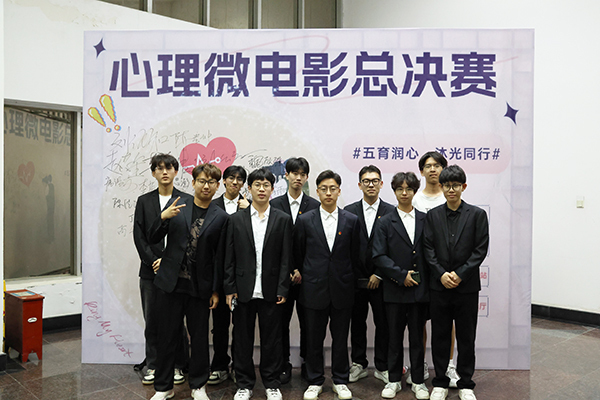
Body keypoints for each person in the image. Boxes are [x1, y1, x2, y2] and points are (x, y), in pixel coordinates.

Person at [148, 163, 229, 400]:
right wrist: (162, 217)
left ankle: (198, 386)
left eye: (211, 182)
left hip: (200, 287)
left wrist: (216, 290)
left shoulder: (221, 217)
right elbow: (152, 237)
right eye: (202, 181)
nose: (206, 186)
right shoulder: (178, 204)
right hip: (170, 284)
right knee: (167, 337)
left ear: (217, 186)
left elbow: (220, 257)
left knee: (200, 338)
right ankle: (163, 388)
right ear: (193, 183)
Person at [224, 167, 293, 400]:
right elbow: (229, 258)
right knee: (242, 340)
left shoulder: (282, 219)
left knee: (272, 340)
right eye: (257, 185)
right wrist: (229, 288)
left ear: (272, 189)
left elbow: (286, 258)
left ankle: (271, 383)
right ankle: (244, 384)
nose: (261, 189)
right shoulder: (236, 219)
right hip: (243, 290)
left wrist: (283, 288)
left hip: (271, 291)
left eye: (266, 185)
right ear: (249, 188)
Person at [294, 170, 362, 400]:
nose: (328, 193)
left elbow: (355, 255)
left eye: (333, 188)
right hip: (313, 288)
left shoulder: (351, 220)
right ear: (317, 191)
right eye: (324, 189)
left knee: (341, 338)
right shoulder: (305, 220)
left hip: (342, 288)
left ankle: (340, 380)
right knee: (314, 338)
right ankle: (315, 381)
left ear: (339, 191)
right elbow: (299, 253)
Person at [424, 165, 489, 400]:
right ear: (441, 187)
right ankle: (440, 382)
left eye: (455, 185)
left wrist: (460, 274)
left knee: (466, 337)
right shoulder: (432, 215)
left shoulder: (477, 215)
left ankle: (466, 383)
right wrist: (441, 274)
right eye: (447, 186)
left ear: (464, 187)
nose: (451, 190)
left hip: (466, 288)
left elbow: (480, 250)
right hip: (439, 286)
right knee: (440, 335)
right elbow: (428, 248)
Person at [133, 153, 189, 387]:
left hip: (177, 273)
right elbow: (139, 236)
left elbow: (188, 237)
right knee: (153, 320)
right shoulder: (144, 201)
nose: (164, 172)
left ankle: (177, 365)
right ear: (153, 173)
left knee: (176, 321)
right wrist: (153, 261)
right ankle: (154, 365)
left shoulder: (186, 200)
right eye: (159, 168)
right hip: (150, 272)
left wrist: (169, 262)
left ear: (176, 171)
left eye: (169, 168)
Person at [372, 172, 430, 400]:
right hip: (394, 290)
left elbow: (430, 253)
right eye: (399, 189)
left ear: (415, 191)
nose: (404, 193)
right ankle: (394, 379)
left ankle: (418, 381)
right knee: (393, 337)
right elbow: (379, 255)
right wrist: (400, 275)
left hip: (419, 290)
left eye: (408, 189)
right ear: (394, 191)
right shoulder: (385, 221)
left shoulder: (426, 219)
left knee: (417, 337)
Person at [411, 151, 460, 388]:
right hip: (422, 270)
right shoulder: (414, 200)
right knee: (419, 320)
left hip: (446, 273)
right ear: (421, 171)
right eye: (428, 166)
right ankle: (419, 364)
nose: (433, 169)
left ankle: (449, 365)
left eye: (437, 165)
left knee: (447, 322)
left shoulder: (450, 197)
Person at [270, 157, 320, 384]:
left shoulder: (315, 206)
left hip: (308, 276)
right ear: (287, 175)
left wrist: (301, 270)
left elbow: (317, 244)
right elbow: (272, 244)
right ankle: (283, 364)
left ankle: (308, 363)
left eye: (302, 174)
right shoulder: (274, 204)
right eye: (294, 173)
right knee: (280, 323)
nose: (298, 178)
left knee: (309, 323)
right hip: (281, 276)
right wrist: (289, 270)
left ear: (307, 177)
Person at [343, 165, 394, 384]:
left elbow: (394, 248)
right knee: (357, 323)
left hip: (382, 280)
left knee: (383, 324)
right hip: (355, 280)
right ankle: (358, 363)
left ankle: (382, 365)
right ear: (359, 185)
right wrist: (355, 275)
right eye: (366, 181)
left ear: (381, 184)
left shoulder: (391, 212)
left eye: (374, 181)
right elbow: (345, 248)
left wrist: (379, 274)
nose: (370, 184)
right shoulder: (348, 211)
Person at [209, 165, 250, 385]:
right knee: (219, 324)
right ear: (223, 181)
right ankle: (219, 365)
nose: (235, 182)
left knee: (241, 326)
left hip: (242, 275)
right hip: (218, 272)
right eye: (231, 178)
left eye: (240, 179)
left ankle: (238, 367)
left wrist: (249, 210)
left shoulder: (250, 206)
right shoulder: (213, 205)